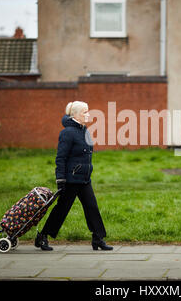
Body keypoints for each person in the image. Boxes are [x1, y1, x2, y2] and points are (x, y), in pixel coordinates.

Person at [35, 101, 113, 251]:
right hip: (70, 180)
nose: (88, 114)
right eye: (85, 112)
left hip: (84, 179)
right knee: (62, 209)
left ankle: (98, 238)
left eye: (88, 111)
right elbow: (61, 157)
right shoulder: (67, 133)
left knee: (92, 207)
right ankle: (42, 236)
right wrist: (60, 179)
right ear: (75, 115)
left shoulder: (84, 130)